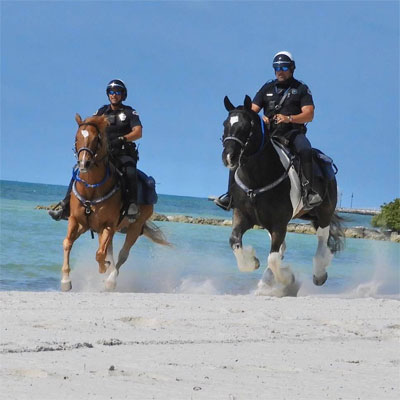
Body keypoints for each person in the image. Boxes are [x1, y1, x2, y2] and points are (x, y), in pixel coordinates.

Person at [215, 51, 322, 211]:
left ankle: (308, 193)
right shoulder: (267, 87)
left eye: (284, 67)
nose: (280, 70)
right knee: (241, 150)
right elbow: (250, 111)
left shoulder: (301, 89)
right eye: (277, 67)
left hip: (292, 133)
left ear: (292, 68)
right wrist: (259, 117)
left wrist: (289, 118)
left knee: (305, 149)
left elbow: (309, 114)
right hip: (270, 134)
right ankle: (230, 195)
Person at [49, 79, 142, 222]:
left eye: (117, 92)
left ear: (123, 95)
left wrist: (123, 139)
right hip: (104, 153)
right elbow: (90, 127)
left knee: (130, 171)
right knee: (79, 169)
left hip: (123, 153)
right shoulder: (101, 111)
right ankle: (65, 205)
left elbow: (138, 132)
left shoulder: (130, 112)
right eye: (111, 92)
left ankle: (131, 205)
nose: (114, 95)